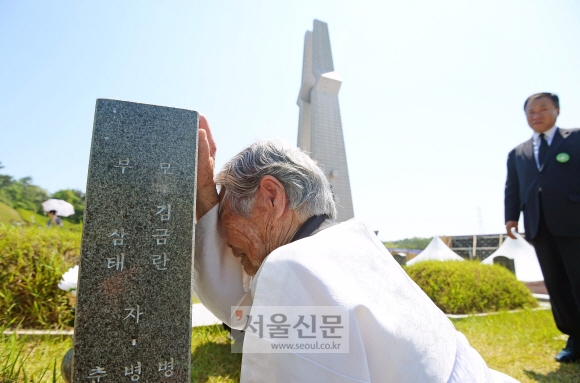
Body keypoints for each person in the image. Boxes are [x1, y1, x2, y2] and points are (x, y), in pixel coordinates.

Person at [194, 116, 518, 382]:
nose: (224, 236)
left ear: (272, 196)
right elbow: (249, 315)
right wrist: (207, 202)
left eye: (226, 211)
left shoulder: (292, 267)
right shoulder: (356, 246)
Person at [504, 92, 580, 363]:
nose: (536, 115)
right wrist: (511, 216)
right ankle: (575, 338)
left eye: (543, 109)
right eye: (531, 112)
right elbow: (513, 187)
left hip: (574, 223)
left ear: (557, 110)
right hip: (539, 226)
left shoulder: (576, 139)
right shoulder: (518, 153)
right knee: (557, 286)